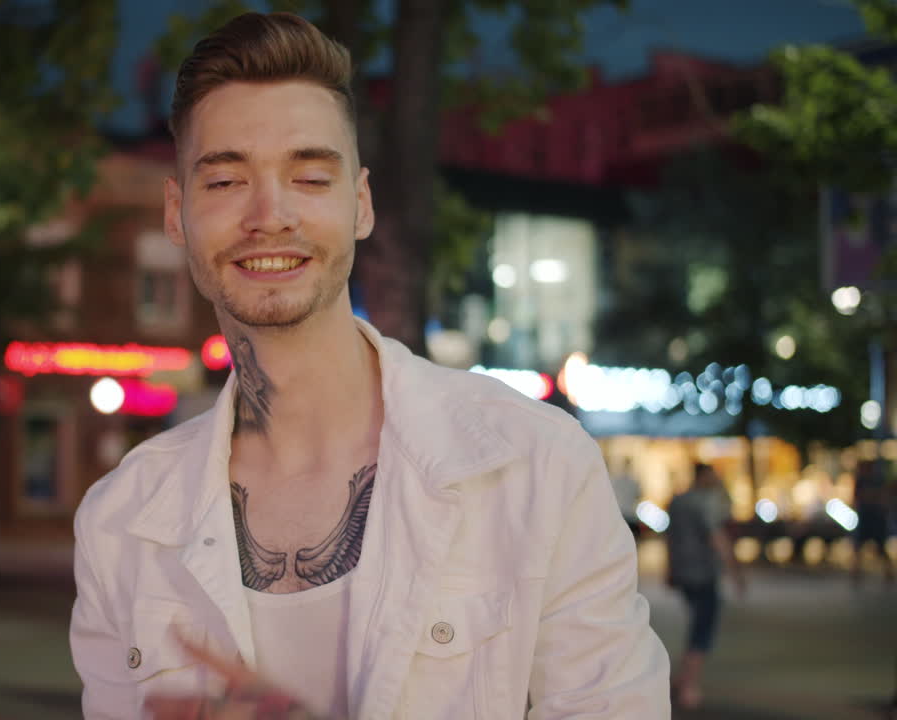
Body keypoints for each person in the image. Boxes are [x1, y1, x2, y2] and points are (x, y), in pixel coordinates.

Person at [69, 12, 669, 719]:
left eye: (310, 177)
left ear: (361, 204)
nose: (270, 214)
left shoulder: (536, 468)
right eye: (226, 181)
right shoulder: (121, 523)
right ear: (177, 214)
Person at [664, 462, 746, 710]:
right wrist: (735, 571)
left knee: (697, 621)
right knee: (703, 626)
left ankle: (682, 679)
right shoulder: (706, 504)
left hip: (683, 571)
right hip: (704, 572)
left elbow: (670, 538)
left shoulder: (677, 502)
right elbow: (717, 538)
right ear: (703, 477)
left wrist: (670, 569)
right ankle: (689, 684)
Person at [851, 459, 895, 586]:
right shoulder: (862, 481)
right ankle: (856, 573)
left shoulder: (877, 480)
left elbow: (884, 497)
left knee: (880, 547)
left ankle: (888, 573)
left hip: (876, 518)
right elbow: (857, 498)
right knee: (859, 547)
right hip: (865, 517)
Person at [611, 457, 643, 539]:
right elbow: (638, 496)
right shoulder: (634, 482)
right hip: (630, 516)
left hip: (621, 515)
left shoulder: (616, 481)